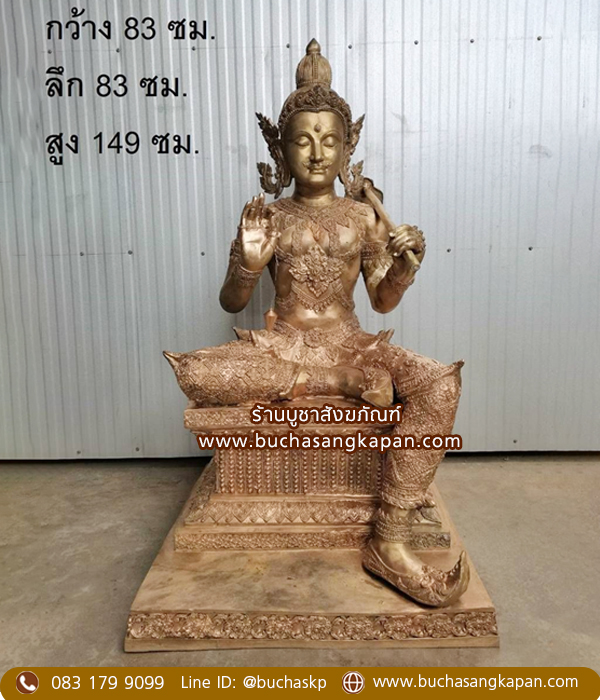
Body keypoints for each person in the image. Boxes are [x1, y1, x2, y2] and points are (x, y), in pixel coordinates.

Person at [164, 40, 469, 607]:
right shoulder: (267, 216)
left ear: (347, 146)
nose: (316, 153)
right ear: (280, 149)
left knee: (441, 383)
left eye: (329, 140)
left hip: (353, 345)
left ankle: (390, 535)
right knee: (197, 371)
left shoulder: (363, 215)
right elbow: (232, 302)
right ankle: (335, 385)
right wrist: (247, 265)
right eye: (302, 140)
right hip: (284, 348)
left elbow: (381, 302)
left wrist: (404, 269)